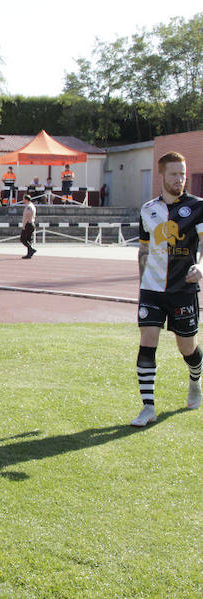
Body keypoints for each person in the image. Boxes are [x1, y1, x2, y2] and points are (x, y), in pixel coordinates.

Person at [132, 151, 203, 426]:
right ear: (161, 175)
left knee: (187, 348)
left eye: (183, 174)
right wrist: (141, 286)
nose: (180, 179)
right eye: (174, 174)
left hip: (183, 290)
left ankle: (195, 381)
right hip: (151, 290)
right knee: (147, 342)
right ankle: (148, 408)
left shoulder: (197, 207)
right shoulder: (147, 209)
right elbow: (143, 250)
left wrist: (201, 268)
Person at [20, 194, 37, 259]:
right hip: (30, 224)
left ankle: (31, 249)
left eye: (23, 198)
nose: (23, 200)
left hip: (28, 224)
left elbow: (27, 216)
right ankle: (29, 253)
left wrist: (24, 225)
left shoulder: (29, 207)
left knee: (23, 239)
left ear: (26, 199)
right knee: (28, 240)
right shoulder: (31, 205)